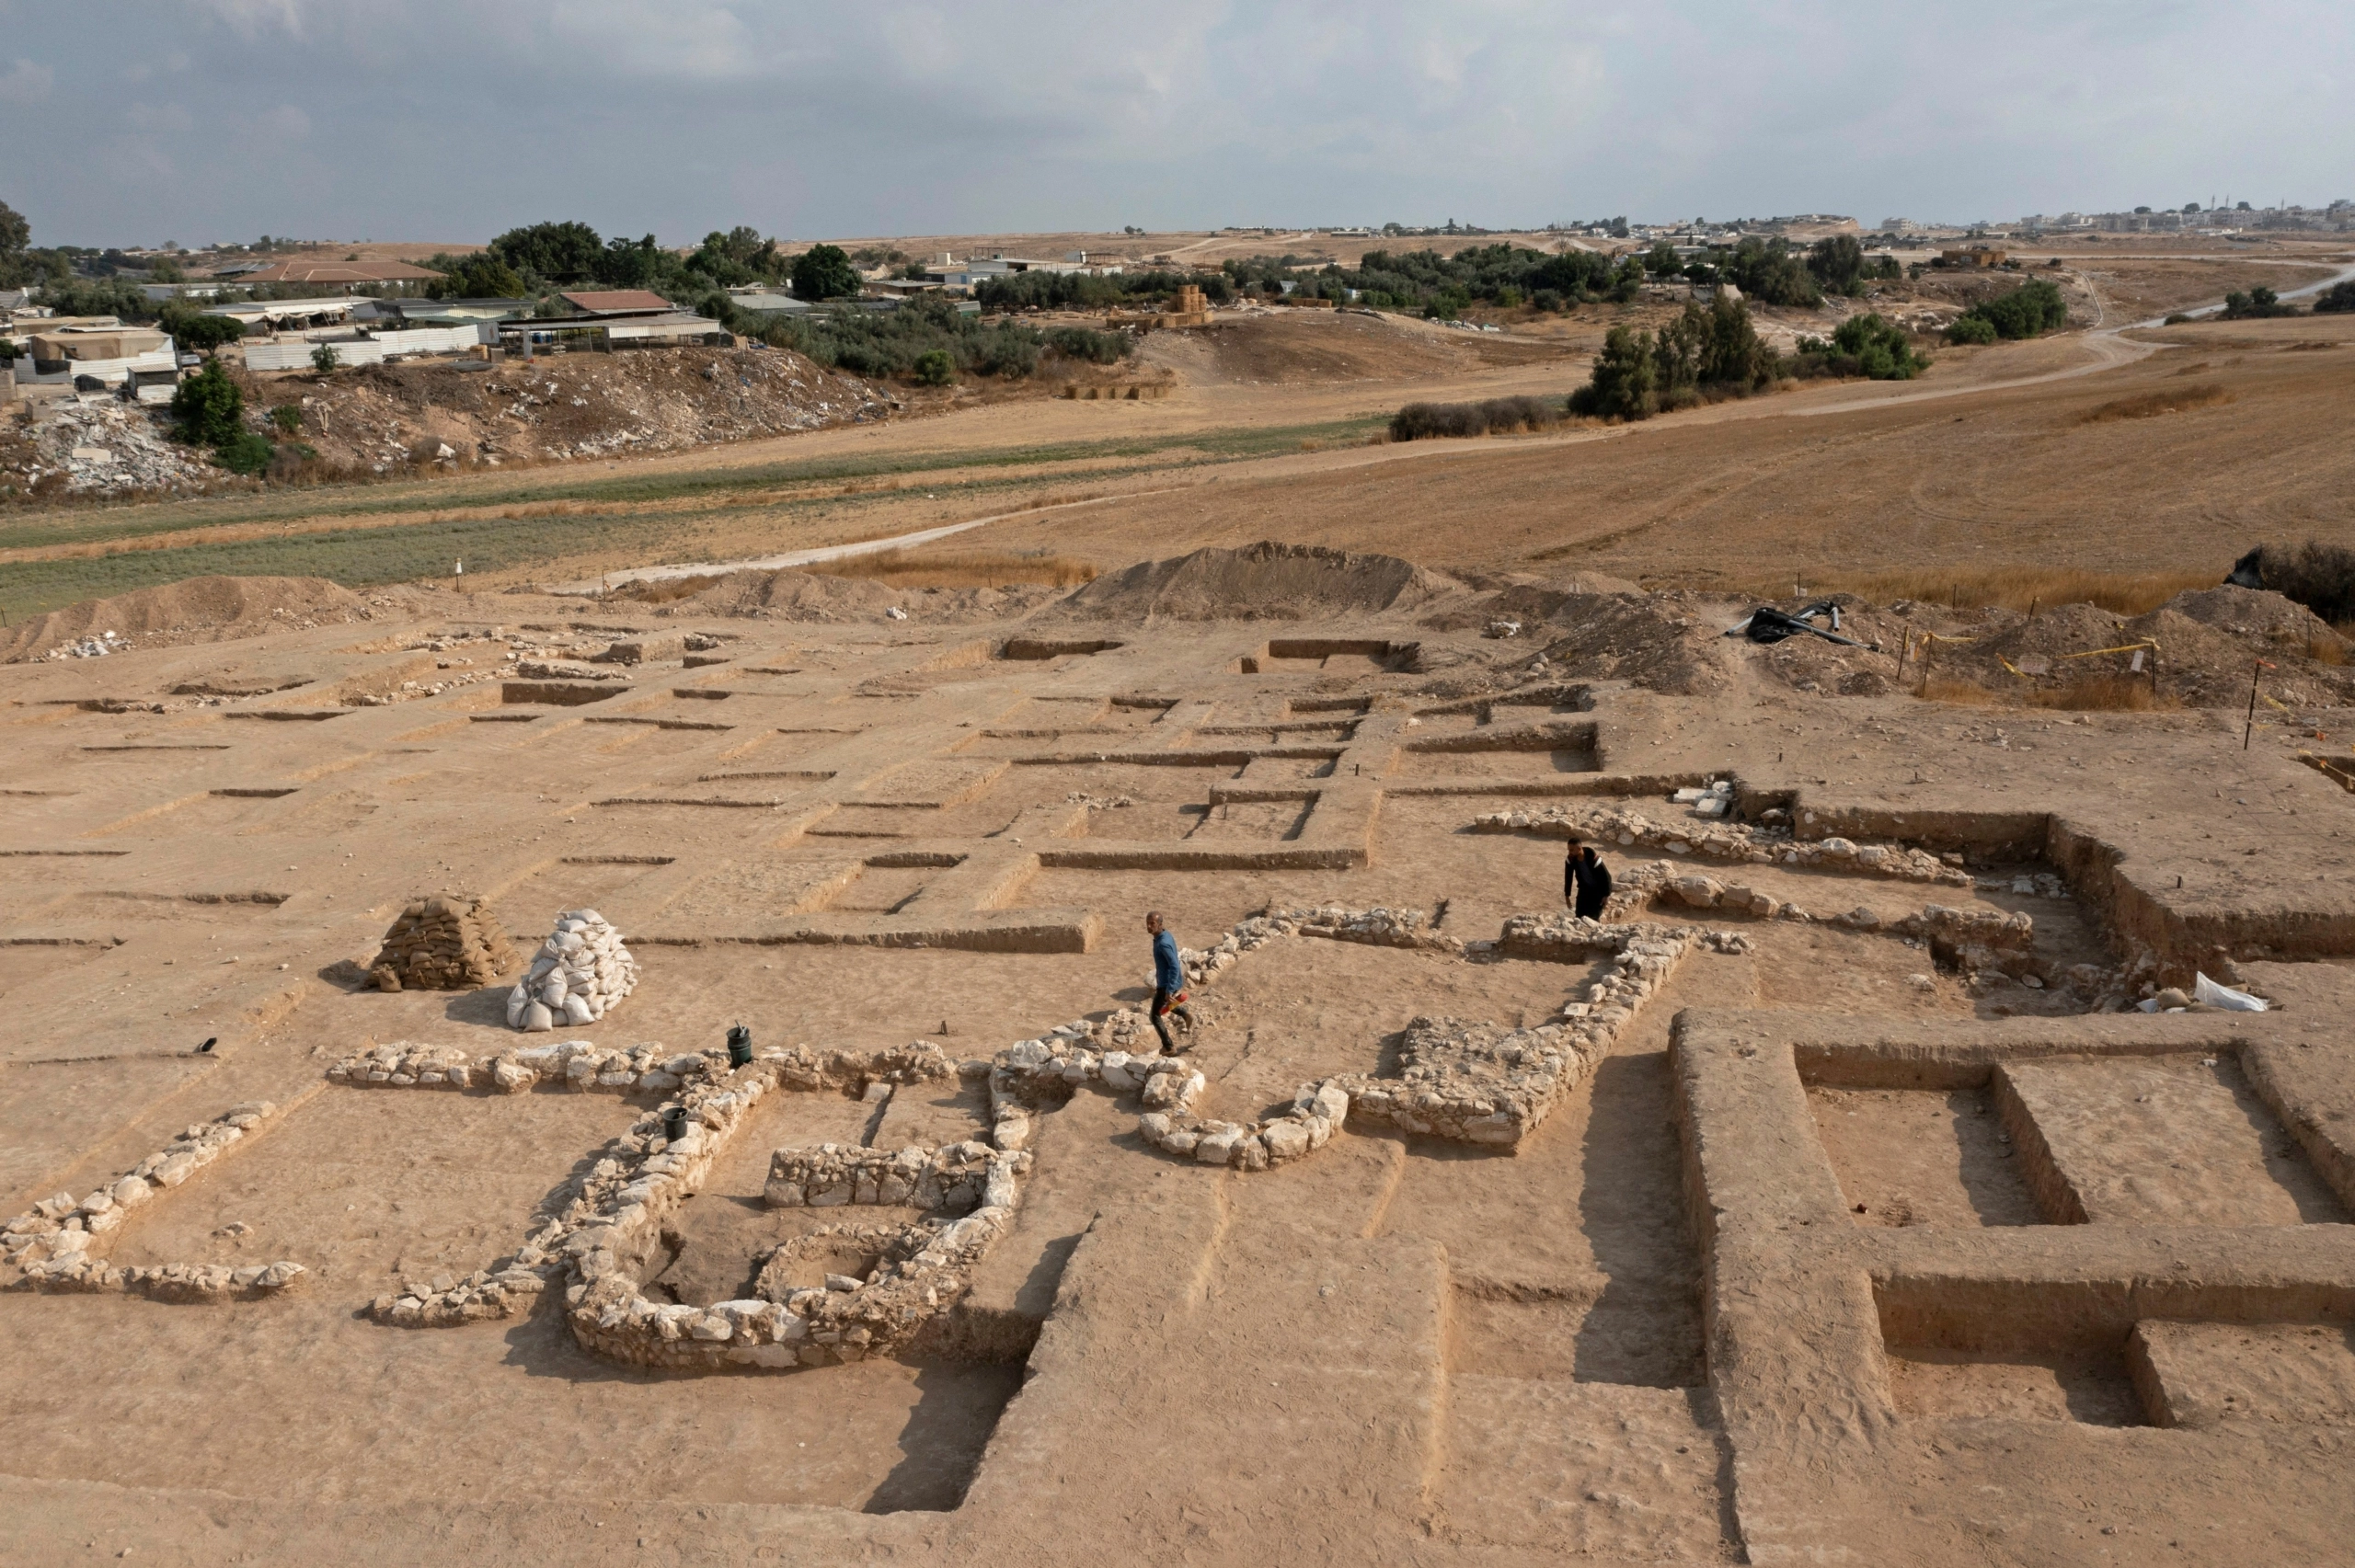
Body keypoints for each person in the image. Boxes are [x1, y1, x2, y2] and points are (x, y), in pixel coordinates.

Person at [1143, 910, 1196, 1052]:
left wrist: (1169, 989)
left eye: (1152, 923)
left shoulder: (1163, 944)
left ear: (1160, 924)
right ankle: (1185, 1014)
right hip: (1169, 981)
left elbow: (1174, 965)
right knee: (1164, 1004)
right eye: (1147, 923)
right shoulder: (1165, 935)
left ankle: (1169, 1047)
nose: (1149, 926)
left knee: (1155, 1016)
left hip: (1167, 983)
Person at [1565, 835, 1612, 921]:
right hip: (1584, 890)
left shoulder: (1593, 858)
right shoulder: (1570, 859)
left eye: (1571, 850)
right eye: (1568, 850)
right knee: (1579, 916)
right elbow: (1568, 878)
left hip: (1598, 891)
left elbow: (1606, 876)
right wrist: (1567, 896)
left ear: (1579, 848)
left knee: (1594, 917)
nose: (1569, 852)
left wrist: (1607, 894)